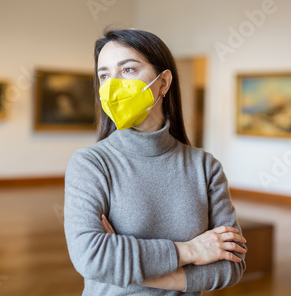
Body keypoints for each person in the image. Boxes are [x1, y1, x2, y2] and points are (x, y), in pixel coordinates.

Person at [64, 29, 247, 296]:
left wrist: (125, 264)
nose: (113, 84)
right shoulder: (90, 164)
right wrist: (193, 250)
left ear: (163, 82)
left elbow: (232, 265)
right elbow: (91, 257)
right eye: (104, 75)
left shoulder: (205, 167)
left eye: (127, 70)